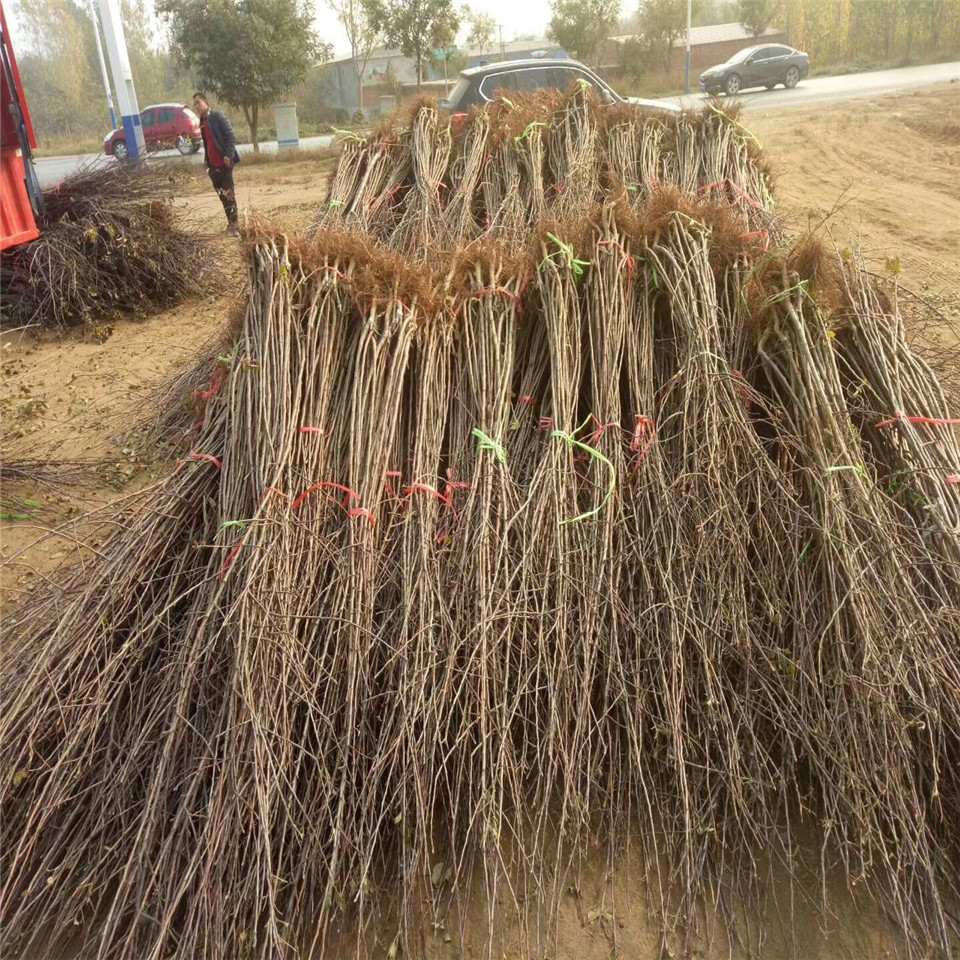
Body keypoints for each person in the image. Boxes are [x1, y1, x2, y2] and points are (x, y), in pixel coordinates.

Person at [192, 92, 241, 235]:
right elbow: (207, 144)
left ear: (206, 102)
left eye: (198, 102)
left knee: (228, 194)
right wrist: (206, 162)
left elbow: (231, 136)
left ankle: (235, 226)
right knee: (221, 195)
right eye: (195, 104)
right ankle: (230, 223)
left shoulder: (217, 116)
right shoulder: (202, 121)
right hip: (213, 167)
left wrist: (228, 155)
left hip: (224, 164)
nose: (196, 106)